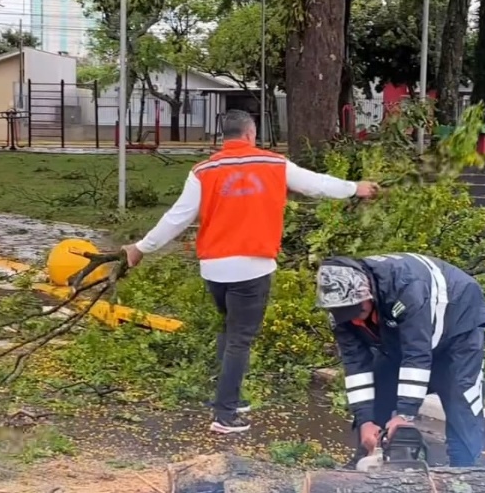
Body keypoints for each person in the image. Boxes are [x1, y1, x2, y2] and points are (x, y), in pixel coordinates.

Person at [122, 109, 380, 435]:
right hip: (252, 267)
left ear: (224, 136)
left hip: (213, 269)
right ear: (250, 133)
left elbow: (178, 217)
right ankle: (225, 414)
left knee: (229, 332)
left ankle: (228, 397)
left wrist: (141, 247)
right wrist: (355, 188)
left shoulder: (203, 170)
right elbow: (317, 185)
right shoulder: (274, 164)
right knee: (239, 340)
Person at [315, 252, 485, 467]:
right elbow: (356, 366)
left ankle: (464, 473)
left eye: (357, 310)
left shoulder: (407, 289)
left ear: (368, 291)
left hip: (458, 325)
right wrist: (365, 420)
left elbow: (416, 354)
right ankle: (369, 459)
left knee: (460, 395)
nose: (352, 318)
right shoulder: (341, 310)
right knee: (381, 385)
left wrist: (405, 414)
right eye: (345, 313)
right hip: (400, 332)